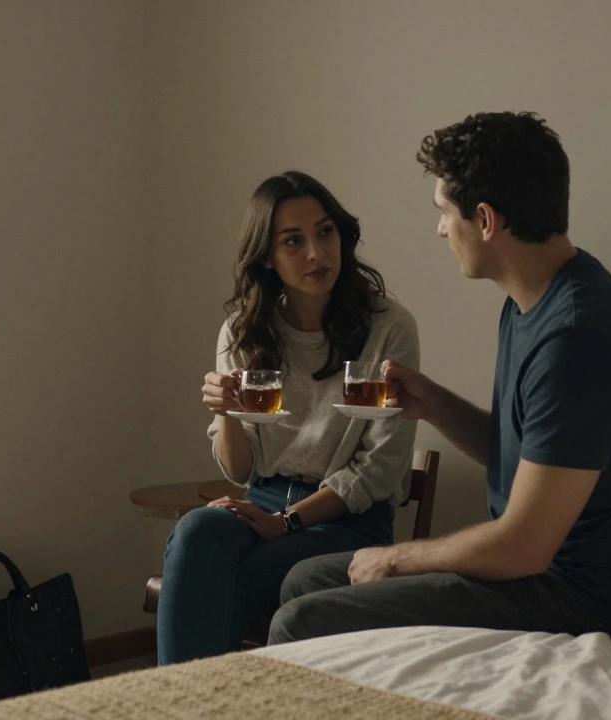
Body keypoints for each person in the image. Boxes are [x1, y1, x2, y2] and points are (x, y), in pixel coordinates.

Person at [269, 112, 611, 645]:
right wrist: (436, 405)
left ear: (485, 220)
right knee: (304, 580)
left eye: (445, 212)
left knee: (300, 621)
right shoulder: (531, 303)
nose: (441, 228)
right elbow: (532, 460)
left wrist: (399, 558)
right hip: (542, 569)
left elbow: (524, 545)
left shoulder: (579, 337)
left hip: (591, 593)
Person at [157, 171, 420, 665]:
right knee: (196, 532)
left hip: (348, 523)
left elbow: (378, 471)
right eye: (293, 241)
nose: (317, 253)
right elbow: (240, 471)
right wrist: (228, 413)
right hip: (265, 502)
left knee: (214, 580)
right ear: (267, 257)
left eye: (325, 232)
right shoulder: (243, 330)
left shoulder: (387, 328)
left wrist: (286, 522)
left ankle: (185, 704)